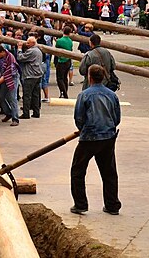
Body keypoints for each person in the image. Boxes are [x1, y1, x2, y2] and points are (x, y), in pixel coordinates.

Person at [70, 64, 122, 216]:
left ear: (89, 77)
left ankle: (80, 204)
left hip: (89, 137)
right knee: (109, 172)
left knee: (78, 171)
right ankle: (112, 205)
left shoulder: (84, 95)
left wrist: (82, 129)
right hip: (108, 137)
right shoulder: (112, 95)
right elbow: (117, 118)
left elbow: (79, 117)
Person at [16, 37, 42, 119]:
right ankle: (36, 112)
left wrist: (19, 49)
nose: (26, 44)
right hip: (37, 75)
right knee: (35, 95)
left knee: (27, 95)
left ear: (32, 43)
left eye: (28, 43)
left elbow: (20, 58)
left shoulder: (31, 51)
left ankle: (26, 113)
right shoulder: (38, 50)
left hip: (30, 75)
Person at [54, 26, 73, 99]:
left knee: (59, 78)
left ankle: (63, 92)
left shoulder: (59, 41)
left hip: (61, 60)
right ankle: (65, 91)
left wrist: (56, 41)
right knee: (65, 77)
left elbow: (57, 48)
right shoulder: (70, 41)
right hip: (68, 60)